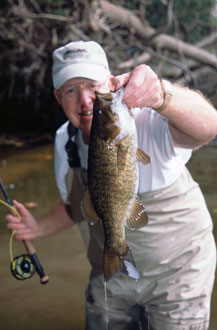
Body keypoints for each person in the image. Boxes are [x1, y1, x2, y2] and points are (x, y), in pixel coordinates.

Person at [6, 40, 217, 330]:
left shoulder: (150, 117)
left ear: (110, 82)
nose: (85, 100)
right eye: (71, 90)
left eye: (93, 85)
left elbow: (209, 127)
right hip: (113, 274)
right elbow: (75, 206)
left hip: (179, 274)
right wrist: (38, 228)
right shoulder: (64, 141)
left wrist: (161, 95)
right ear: (58, 97)